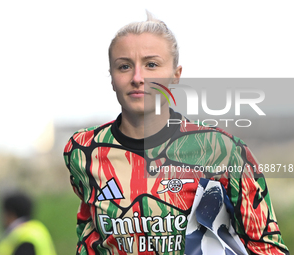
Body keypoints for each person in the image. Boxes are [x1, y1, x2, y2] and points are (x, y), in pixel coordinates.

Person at [64, 11, 289, 255]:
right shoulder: (83, 150)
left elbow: (267, 247)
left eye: (151, 65)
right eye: (124, 66)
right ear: (111, 77)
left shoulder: (222, 150)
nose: (138, 78)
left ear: (176, 76)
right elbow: (89, 238)